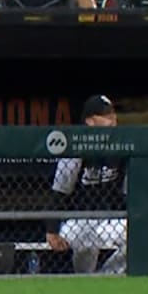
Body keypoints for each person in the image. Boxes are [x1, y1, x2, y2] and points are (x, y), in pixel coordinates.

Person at [45, 95, 127, 274]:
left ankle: (106, 278)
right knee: (86, 239)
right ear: (90, 121)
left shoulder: (123, 146)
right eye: (106, 116)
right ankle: (85, 279)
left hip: (110, 220)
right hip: (77, 220)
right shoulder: (76, 148)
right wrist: (51, 229)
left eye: (113, 114)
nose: (113, 120)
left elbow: (128, 193)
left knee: (141, 235)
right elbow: (59, 192)